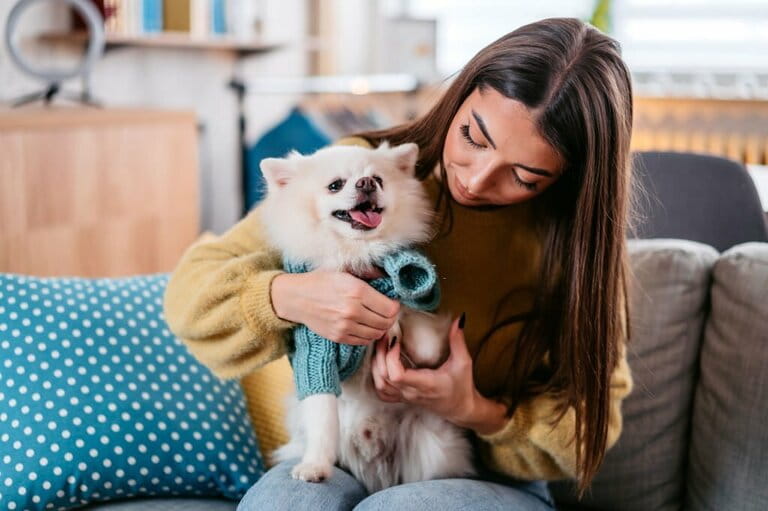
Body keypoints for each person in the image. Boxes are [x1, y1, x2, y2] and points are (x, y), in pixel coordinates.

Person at [163, 17, 635, 511]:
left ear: (567, 177)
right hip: (340, 448)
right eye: (474, 137)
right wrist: (289, 296)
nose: (476, 181)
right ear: (460, 95)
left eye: (524, 176)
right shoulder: (360, 172)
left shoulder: (578, 252)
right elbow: (190, 295)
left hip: (474, 469)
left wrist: (472, 408)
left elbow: (588, 434)